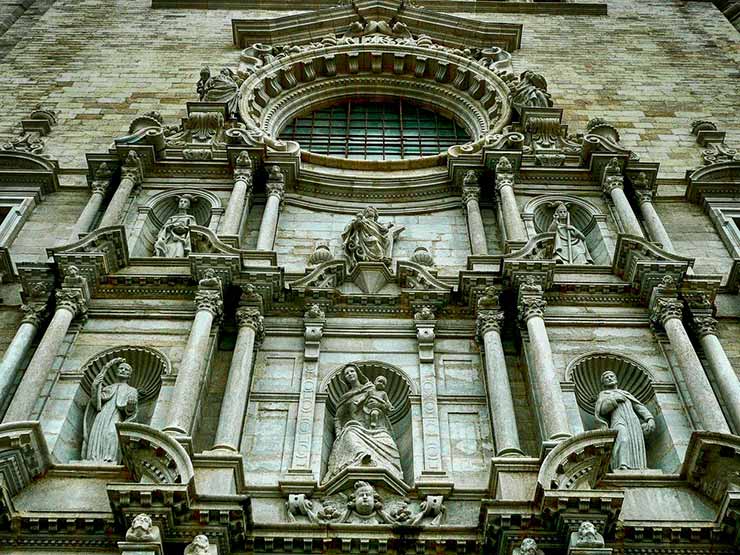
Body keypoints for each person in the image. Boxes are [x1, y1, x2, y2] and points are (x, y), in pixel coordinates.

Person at [324, 365, 403, 482]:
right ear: (345, 378)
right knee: (350, 434)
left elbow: (387, 408)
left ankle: (393, 473)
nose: (350, 374)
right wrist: (339, 433)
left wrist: (379, 405)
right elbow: (338, 418)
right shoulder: (346, 397)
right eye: (347, 373)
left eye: (352, 371)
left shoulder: (371, 388)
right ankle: (362, 458)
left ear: (357, 373)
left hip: (376, 427)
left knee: (388, 442)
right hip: (354, 427)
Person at [595, 370, 655, 470]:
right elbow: (601, 411)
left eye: (611, 376)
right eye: (607, 378)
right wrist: (614, 400)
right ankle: (622, 464)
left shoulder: (625, 393)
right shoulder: (604, 394)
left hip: (633, 421)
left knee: (635, 441)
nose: (610, 378)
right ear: (603, 383)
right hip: (618, 420)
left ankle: (640, 467)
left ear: (616, 379)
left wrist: (649, 418)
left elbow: (639, 406)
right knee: (622, 439)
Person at [82, 357, 139, 463]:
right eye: (121, 368)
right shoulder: (108, 388)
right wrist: (95, 386)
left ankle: (110, 458)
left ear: (129, 375)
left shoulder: (132, 390)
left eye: (126, 370)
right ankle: (93, 457)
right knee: (98, 434)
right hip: (102, 414)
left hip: (117, 415)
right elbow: (96, 403)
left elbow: (131, 412)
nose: (123, 370)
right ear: (116, 371)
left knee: (112, 433)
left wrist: (131, 405)